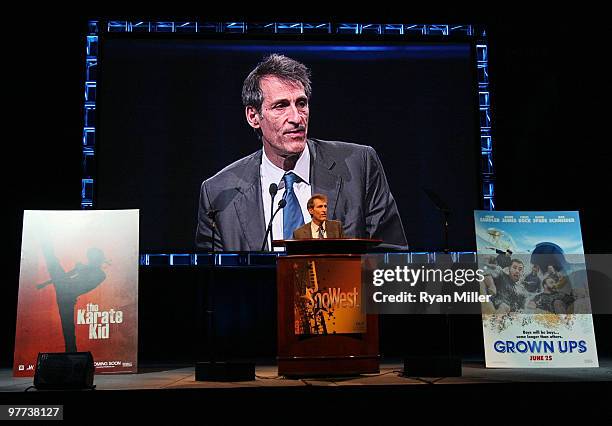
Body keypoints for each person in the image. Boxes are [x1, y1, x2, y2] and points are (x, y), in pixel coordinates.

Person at [195, 53, 407, 251]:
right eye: (281, 106)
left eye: (301, 103)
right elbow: (212, 280)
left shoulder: (359, 165)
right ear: (253, 116)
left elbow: (391, 261)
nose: (297, 118)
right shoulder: (218, 193)